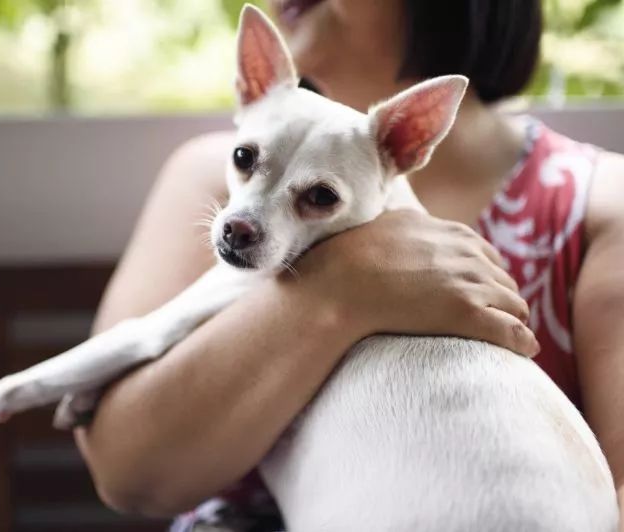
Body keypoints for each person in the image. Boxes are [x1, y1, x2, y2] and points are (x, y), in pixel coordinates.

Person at [74, 1, 624, 530]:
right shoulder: (219, 181)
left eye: (318, 199)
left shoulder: (600, 206)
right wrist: (344, 286)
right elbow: (125, 471)